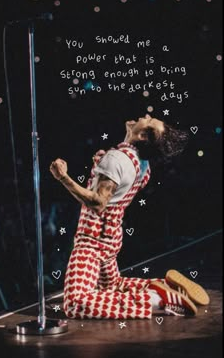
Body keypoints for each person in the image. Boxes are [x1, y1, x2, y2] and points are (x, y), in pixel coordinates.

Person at [50, 114, 210, 319]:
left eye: (149, 121)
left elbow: (98, 203)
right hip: (111, 239)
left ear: (142, 135)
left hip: (92, 240)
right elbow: (122, 185)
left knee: (75, 303)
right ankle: (165, 286)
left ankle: (158, 300)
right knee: (112, 286)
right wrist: (103, 167)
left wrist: (63, 178)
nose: (146, 116)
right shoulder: (143, 166)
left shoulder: (116, 159)